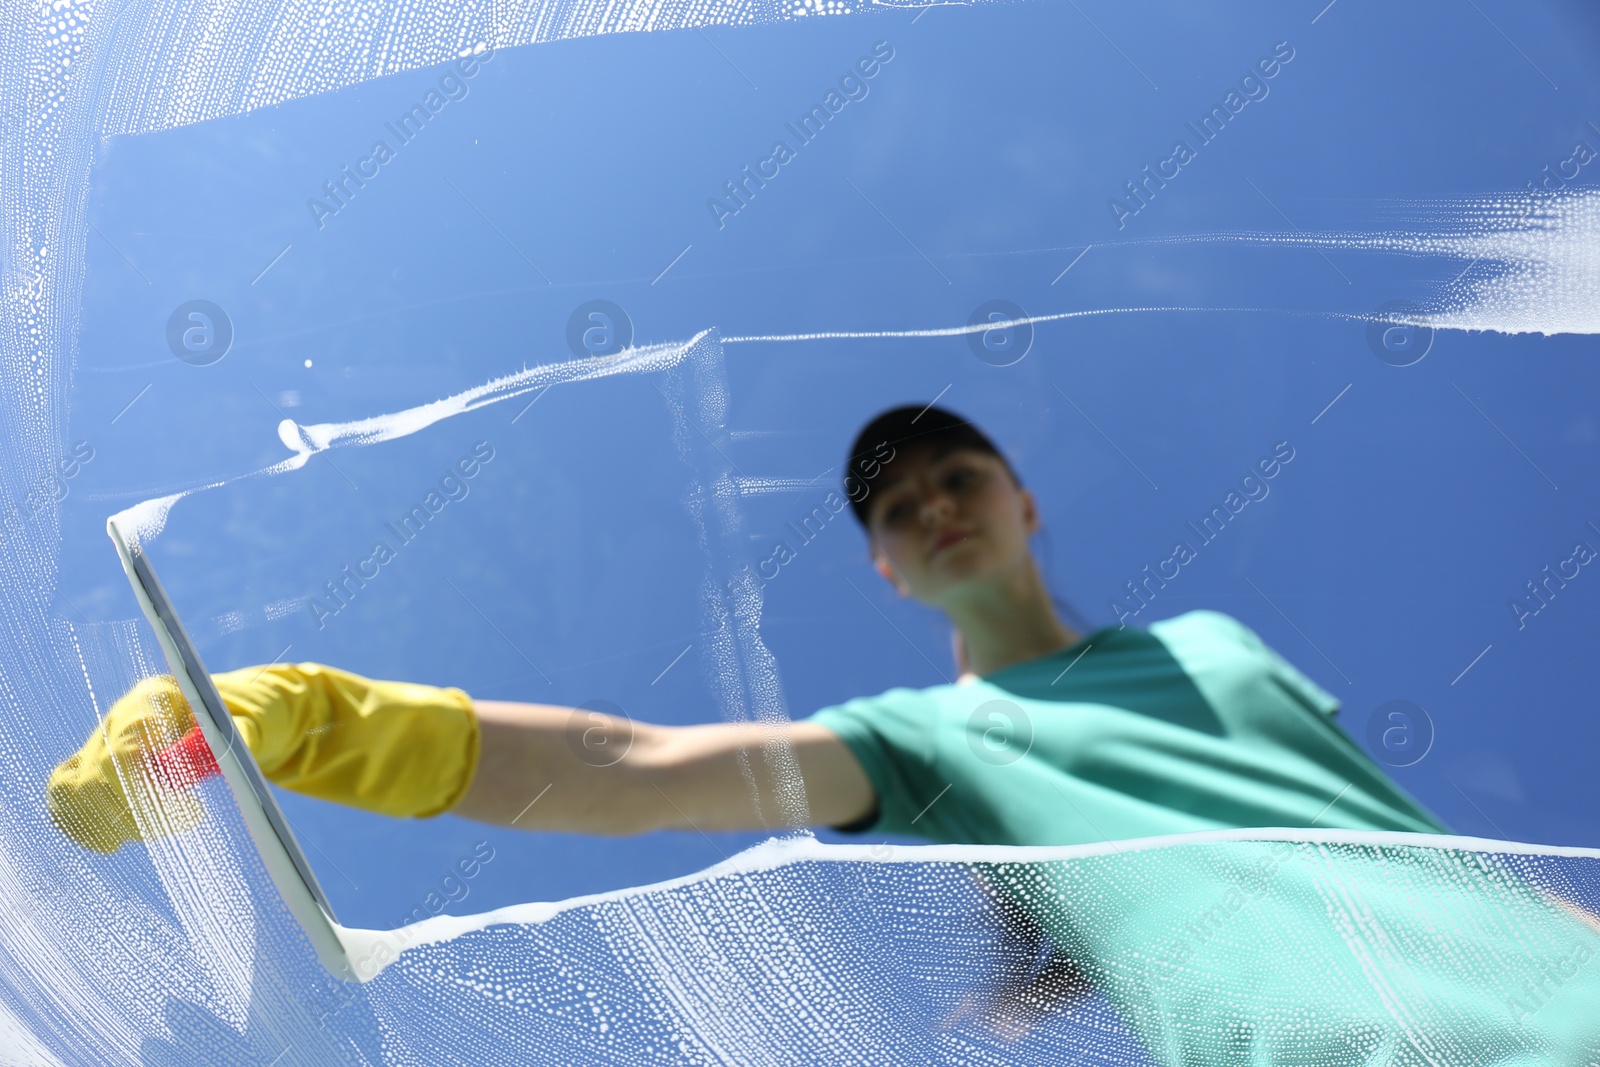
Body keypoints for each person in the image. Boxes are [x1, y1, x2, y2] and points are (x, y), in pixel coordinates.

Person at [47, 405, 1600, 1061]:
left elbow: (1410, 839)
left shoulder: (1214, 647)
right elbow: (635, 773)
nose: (930, 504)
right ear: (884, 562)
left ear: (1021, 501)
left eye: (956, 475)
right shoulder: (925, 743)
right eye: (896, 505)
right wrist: (308, 725)